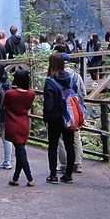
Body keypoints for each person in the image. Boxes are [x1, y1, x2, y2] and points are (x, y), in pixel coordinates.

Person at [43, 52, 76, 184]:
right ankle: (68, 175)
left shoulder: (50, 82)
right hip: (69, 115)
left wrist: (46, 118)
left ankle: (53, 175)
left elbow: (48, 103)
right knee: (69, 145)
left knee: (53, 145)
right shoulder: (70, 79)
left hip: (55, 117)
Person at [3, 67, 36, 187]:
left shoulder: (9, 94)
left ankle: (30, 178)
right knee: (20, 150)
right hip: (24, 124)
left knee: (20, 152)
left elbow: (3, 106)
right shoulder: (31, 94)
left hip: (13, 124)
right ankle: (15, 178)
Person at [58, 53, 85, 175]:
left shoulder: (56, 76)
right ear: (69, 63)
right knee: (76, 138)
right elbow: (83, 92)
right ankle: (78, 164)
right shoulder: (76, 76)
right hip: (75, 111)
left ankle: (64, 165)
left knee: (62, 139)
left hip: (62, 112)